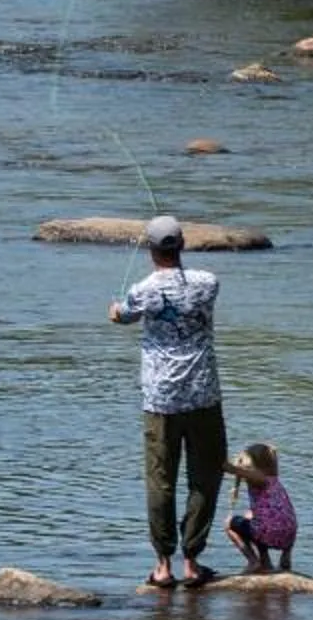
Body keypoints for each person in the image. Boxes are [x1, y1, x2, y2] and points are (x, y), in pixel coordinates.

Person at [109, 215, 225, 589]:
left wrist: (116, 308)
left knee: (161, 480)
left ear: (151, 250)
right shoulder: (208, 283)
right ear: (182, 245)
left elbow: (120, 315)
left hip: (160, 400)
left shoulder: (143, 291)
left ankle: (163, 566)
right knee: (205, 476)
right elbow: (193, 289)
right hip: (204, 394)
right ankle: (192, 561)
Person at [225, 442, 298, 575]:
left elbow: (231, 469)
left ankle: (253, 561)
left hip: (269, 533)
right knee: (253, 516)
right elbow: (273, 451)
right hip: (289, 536)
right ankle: (276, 558)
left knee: (229, 524)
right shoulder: (273, 475)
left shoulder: (258, 478)